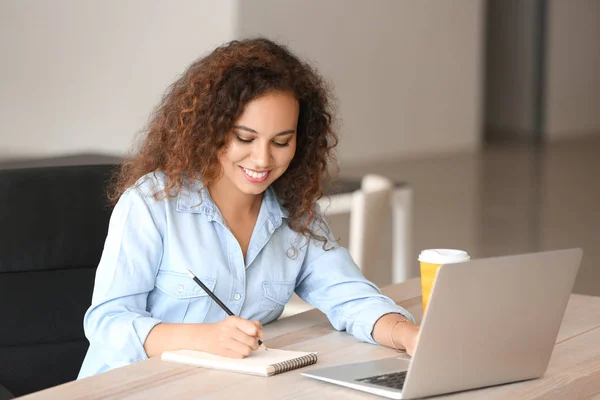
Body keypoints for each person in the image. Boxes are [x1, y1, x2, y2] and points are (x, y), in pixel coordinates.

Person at [78, 38, 419, 379]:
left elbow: (350, 296)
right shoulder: (152, 203)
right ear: (210, 130)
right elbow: (107, 323)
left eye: (281, 142)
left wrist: (407, 335)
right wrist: (203, 338)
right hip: (130, 387)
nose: (262, 159)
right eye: (245, 138)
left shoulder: (295, 213)